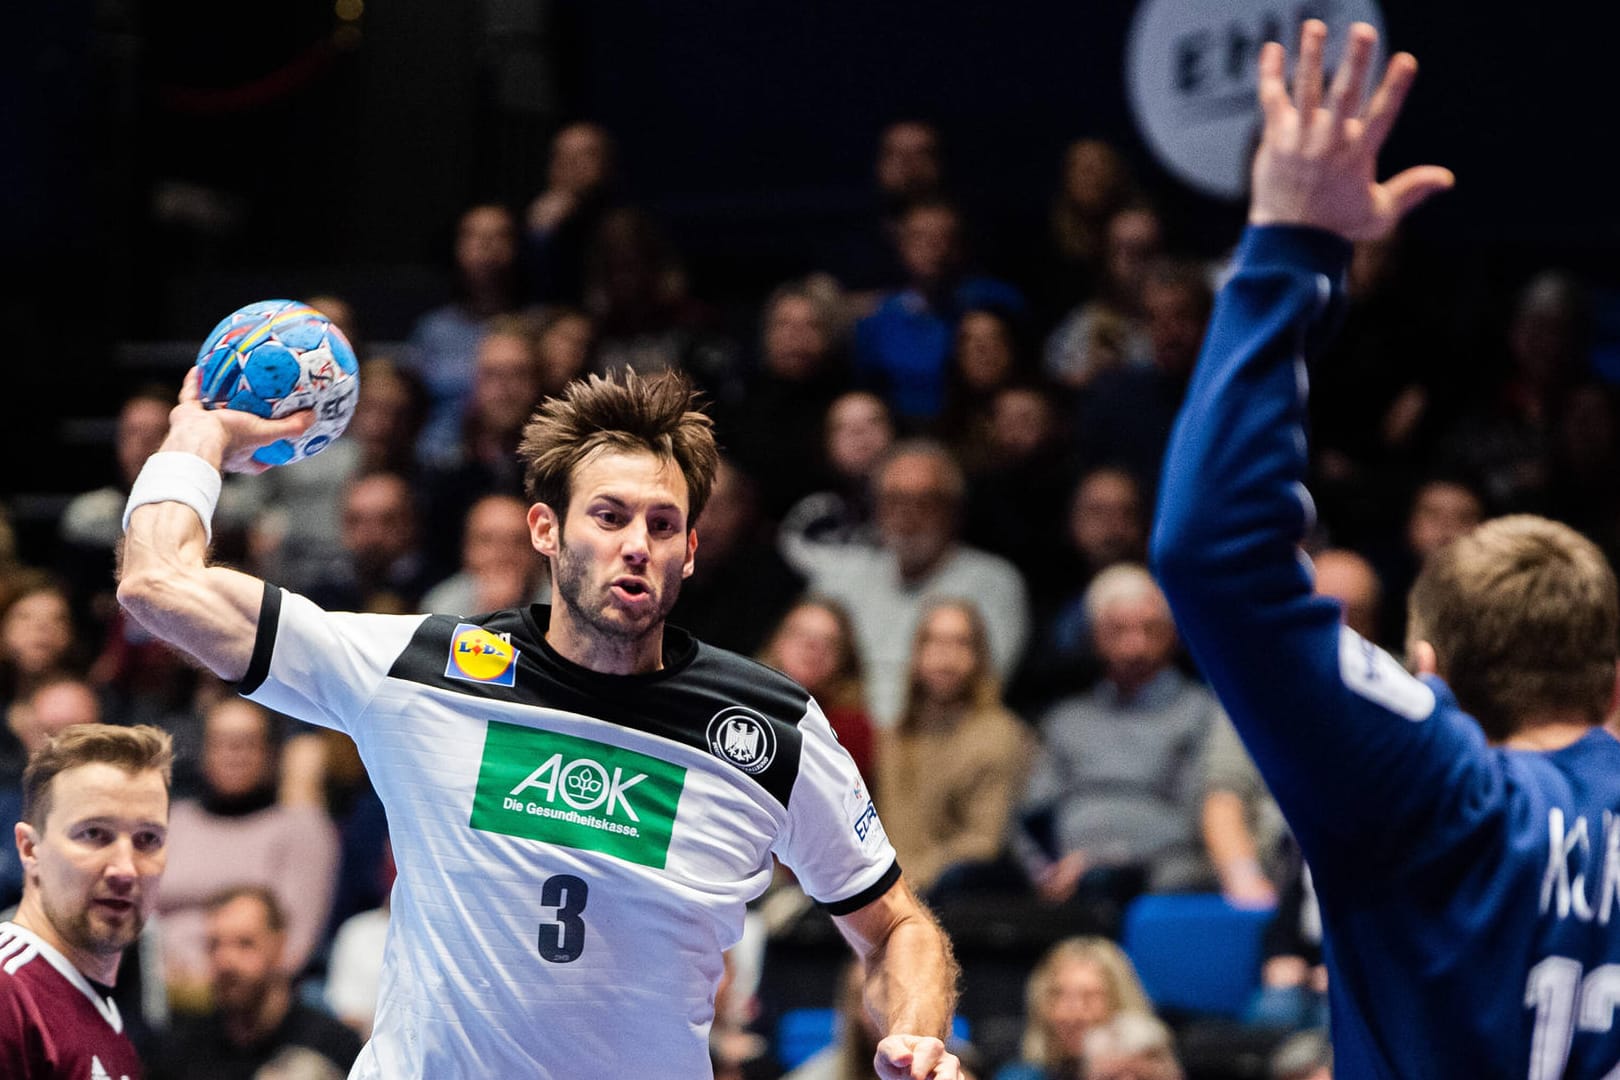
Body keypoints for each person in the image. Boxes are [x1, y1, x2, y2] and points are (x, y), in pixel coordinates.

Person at [116, 367, 964, 1078]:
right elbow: (158, 585)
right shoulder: (420, 670)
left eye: (663, 525)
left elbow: (896, 926)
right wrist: (199, 439)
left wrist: (918, 1033)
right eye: (610, 515)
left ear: (692, 553)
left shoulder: (769, 730)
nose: (638, 543)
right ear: (546, 530)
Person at [1153, 19, 1620, 1076]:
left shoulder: (1432, 791)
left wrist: (1288, 244)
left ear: (1427, 676)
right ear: (1613, 682)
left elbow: (1215, 555)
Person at [0, 724, 173, 1079]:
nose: (125, 869)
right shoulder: (8, 993)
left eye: (148, 838)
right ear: (30, 849)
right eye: (94, 834)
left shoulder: (110, 1028)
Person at [150, 886, 362, 1080]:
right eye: (214, 945)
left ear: (279, 947)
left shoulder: (334, 1047)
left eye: (245, 944)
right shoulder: (180, 1050)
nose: (225, 961)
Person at [993, 936, 1155, 1080]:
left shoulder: (1150, 1073)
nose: (1072, 1014)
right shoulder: (1022, 1076)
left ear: (1120, 1002)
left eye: (1089, 997)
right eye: (1058, 996)